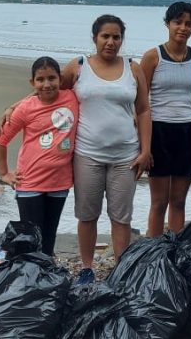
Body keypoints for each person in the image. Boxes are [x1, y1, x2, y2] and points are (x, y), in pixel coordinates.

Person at [65, 14, 151, 284]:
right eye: (105, 36)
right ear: (95, 38)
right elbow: (50, 91)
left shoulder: (133, 68)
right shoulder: (79, 66)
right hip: (87, 153)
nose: (111, 42)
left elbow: (144, 110)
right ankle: (86, 268)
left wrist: (145, 151)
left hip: (126, 156)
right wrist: (16, 108)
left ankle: (120, 270)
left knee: (121, 217)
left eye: (116, 37)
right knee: (87, 214)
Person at [0, 56, 79, 257]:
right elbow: (0, 140)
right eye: (40, 80)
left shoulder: (72, 98)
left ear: (60, 79)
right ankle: (30, 273)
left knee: (48, 238)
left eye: (51, 78)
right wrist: (4, 173)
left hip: (59, 182)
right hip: (30, 182)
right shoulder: (25, 108)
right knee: (31, 238)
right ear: (32, 82)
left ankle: (46, 271)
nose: (47, 84)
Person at [140, 1, 191, 236]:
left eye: (189, 24)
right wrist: (144, 145)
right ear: (168, 24)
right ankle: (154, 249)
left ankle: (175, 249)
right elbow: (140, 103)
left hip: (188, 131)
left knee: (178, 200)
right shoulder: (152, 57)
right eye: (178, 22)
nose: (183, 28)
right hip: (159, 131)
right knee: (159, 201)